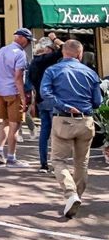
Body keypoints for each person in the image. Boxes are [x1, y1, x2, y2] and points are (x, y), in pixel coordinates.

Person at [40, 40, 102, 219]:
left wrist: (64, 106)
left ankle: (70, 193)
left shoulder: (52, 70)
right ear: (80, 54)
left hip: (63, 120)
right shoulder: (90, 72)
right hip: (86, 120)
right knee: (81, 162)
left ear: (63, 53)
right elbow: (97, 101)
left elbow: (46, 94)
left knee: (58, 160)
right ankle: (77, 197)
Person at [0, 28, 33, 167]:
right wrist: (23, 97)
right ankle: (11, 157)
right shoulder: (21, 54)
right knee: (14, 124)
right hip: (13, 91)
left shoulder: (2, 50)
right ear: (22, 38)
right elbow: (18, 77)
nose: (28, 44)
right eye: (28, 40)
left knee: (4, 121)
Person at [28, 34, 63, 173]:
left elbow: (30, 82)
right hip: (51, 99)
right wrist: (55, 39)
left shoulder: (33, 62)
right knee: (55, 133)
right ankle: (55, 163)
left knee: (44, 132)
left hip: (40, 100)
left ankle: (43, 162)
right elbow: (66, 47)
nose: (53, 50)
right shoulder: (46, 60)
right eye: (51, 48)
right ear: (46, 49)